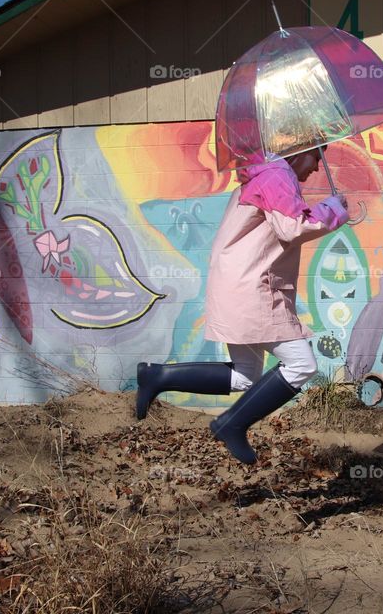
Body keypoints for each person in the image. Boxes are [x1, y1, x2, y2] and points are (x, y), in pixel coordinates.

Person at [135, 147, 350, 464]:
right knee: (301, 365)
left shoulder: (264, 174)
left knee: (246, 376)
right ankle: (231, 424)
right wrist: (332, 210)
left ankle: (159, 377)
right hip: (252, 290)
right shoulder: (277, 176)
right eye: (316, 157)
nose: (317, 168)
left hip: (237, 285)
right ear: (299, 152)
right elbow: (292, 228)